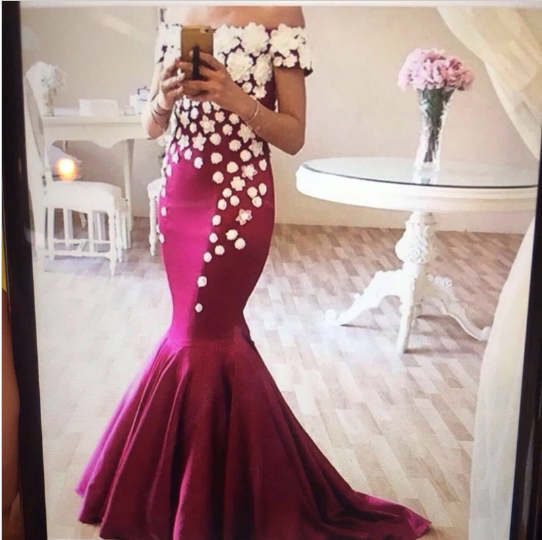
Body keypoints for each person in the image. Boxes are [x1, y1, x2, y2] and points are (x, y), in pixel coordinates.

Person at [76, 6, 431, 539]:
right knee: (200, 334)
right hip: (179, 189)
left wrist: (236, 98)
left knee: (202, 337)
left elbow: (293, 135)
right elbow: (150, 126)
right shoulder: (175, 9)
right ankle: (220, 492)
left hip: (238, 194)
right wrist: (165, 98)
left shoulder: (279, 11)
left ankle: (202, 503)